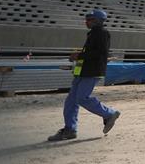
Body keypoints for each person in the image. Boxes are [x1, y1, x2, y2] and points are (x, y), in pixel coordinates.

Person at [47, 10, 120, 141]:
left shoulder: (103, 34)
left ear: (97, 20)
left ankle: (109, 113)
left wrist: (79, 55)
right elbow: (92, 52)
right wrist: (78, 56)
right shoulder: (92, 34)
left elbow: (100, 53)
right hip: (83, 71)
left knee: (82, 98)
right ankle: (70, 129)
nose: (86, 22)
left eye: (90, 19)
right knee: (71, 101)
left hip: (92, 71)